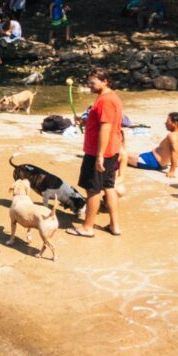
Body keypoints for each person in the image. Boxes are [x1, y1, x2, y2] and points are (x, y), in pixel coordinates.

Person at [73, 69, 123, 237]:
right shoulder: (111, 97)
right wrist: (86, 121)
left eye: (93, 83)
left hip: (100, 152)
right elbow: (104, 122)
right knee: (109, 187)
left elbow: (106, 128)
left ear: (105, 81)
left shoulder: (105, 101)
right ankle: (115, 226)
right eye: (89, 82)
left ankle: (88, 227)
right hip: (112, 149)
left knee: (92, 189)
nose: (90, 86)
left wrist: (99, 155)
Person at [127, 112, 178, 178]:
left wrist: (172, 171)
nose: (165, 123)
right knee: (131, 154)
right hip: (152, 159)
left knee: (122, 156)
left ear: (175, 123)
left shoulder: (172, 136)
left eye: (168, 121)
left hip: (151, 162)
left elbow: (175, 153)